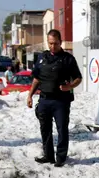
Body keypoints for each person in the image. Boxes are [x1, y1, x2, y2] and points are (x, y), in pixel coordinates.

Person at [27, 29, 82, 167]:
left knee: (62, 129)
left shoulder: (68, 59)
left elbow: (78, 78)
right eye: (50, 43)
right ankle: (48, 155)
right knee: (45, 129)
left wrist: (70, 86)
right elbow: (36, 79)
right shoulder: (41, 57)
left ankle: (61, 157)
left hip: (61, 101)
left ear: (61, 42)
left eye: (56, 43)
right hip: (44, 100)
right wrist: (30, 95)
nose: (53, 46)